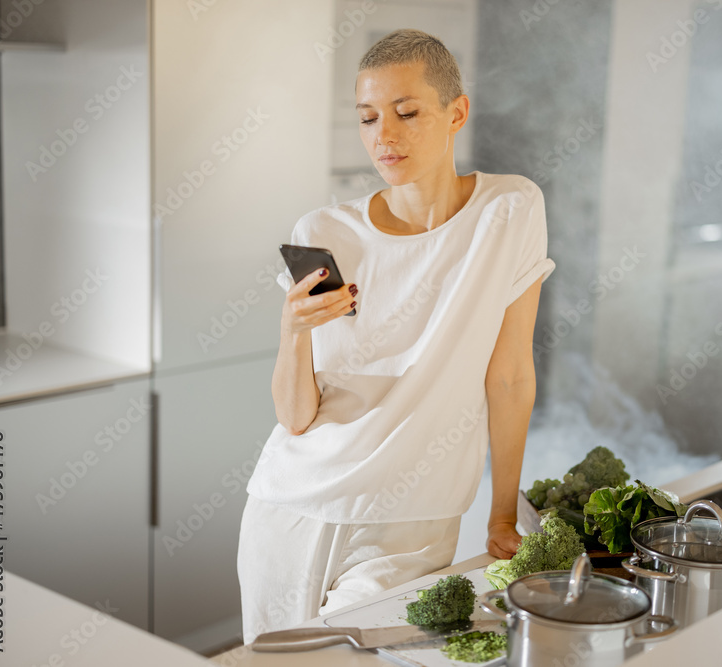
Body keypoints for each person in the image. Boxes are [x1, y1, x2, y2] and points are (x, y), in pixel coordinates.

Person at [236, 28, 555, 645]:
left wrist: (503, 509)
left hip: (410, 524)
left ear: (456, 112)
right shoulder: (326, 229)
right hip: (289, 510)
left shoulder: (509, 210)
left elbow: (510, 374)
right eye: (367, 117)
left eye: (407, 113)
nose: (384, 134)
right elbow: (295, 416)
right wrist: (291, 333)